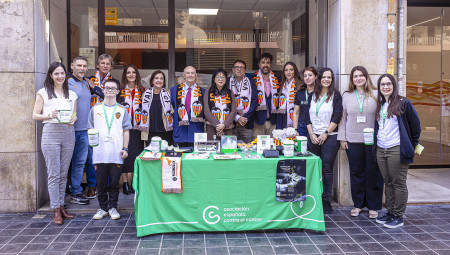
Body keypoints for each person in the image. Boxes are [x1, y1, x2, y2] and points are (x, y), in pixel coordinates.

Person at [32, 62, 78, 224]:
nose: (60, 76)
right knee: (53, 173)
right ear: (51, 76)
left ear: (66, 75)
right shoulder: (43, 93)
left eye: (62, 73)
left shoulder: (71, 94)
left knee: (63, 173)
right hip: (51, 133)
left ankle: (62, 205)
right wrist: (49, 115)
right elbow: (35, 115)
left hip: (68, 133)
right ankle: (55, 209)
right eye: (56, 74)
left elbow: (75, 115)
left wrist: (73, 120)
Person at [374, 74, 421, 228]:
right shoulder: (380, 104)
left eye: (388, 84)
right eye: (382, 84)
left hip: (397, 149)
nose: (385, 87)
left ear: (393, 85)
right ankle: (390, 212)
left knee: (398, 183)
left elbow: (415, 127)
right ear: (379, 87)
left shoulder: (403, 103)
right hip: (382, 148)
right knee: (388, 182)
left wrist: (411, 146)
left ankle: (398, 216)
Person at [337, 66, 384, 219]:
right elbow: (342, 119)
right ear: (352, 79)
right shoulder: (347, 96)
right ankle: (358, 204)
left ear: (366, 77)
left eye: (361, 75)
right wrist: (342, 138)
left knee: (373, 173)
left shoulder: (376, 94)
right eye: (355, 76)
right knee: (356, 173)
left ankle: (373, 206)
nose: (358, 78)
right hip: (352, 140)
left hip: (372, 141)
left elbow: (381, 117)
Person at [88, 79, 132, 220]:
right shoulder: (95, 109)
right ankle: (102, 208)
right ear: (103, 90)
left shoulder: (122, 110)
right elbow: (90, 128)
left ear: (118, 91)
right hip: (99, 153)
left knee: (114, 183)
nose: (110, 91)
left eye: (113, 89)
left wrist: (125, 148)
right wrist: (93, 145)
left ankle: (113, 207)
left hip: (116, 152)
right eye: (107, 88)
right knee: (100, 183)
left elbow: (126, 130)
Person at [80, 54, 120, 202]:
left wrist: (95, 89)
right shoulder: (88, 79)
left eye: (108, 64)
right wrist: (94, 87)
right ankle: (92, 185)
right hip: (92, 120)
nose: (105, 66)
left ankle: (108, 184)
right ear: (97, 65)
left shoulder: (114, 82)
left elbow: (113, 98)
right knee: (92, 156)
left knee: (108, 152)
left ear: (111, 66)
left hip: (108, 121)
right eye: (102, 63)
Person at [305, 67, 343, 214]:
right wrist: (311, 134)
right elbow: (306, 117)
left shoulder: (336, 96)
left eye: (329, 77)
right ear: (319, 78)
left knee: (327, 169)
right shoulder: (312, 95)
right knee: (314, 168)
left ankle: (326, 201)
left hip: (330, 138)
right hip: (313, 137)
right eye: (324, 77)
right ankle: (314, 198)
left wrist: (326, 133)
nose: (326, 79)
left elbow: (337, 116)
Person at [68, 56, 104, 205]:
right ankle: (71, 191)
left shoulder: (86, 84)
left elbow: (102, 94)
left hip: (84, 129)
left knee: (81, 162)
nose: (82, 68)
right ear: (72, 66)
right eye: (79, 65)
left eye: (84, 66)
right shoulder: (66, 83)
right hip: (70, 129)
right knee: (70, 162)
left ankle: (76, 191)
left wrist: (93, 86)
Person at [116, 64, 145, 195]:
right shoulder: (121, 89)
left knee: (135, 155)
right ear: (125, 75)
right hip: (123, 127)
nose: (131, 75)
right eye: (128, 72)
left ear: (137, 75)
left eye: (133, 72)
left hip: (138, 127)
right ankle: (125, 183)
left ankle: (134, 182)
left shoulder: (142, 90)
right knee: (124, 154)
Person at [170, 66, 205, 147]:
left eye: (192, 73)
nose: (190, 75)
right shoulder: (174, 90)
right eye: (188, 73)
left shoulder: (203, 92)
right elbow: (172, 109)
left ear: (196, 75)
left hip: (196, 132)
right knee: (179, 159)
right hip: (180, 132)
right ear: (183, 75)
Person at [251, 53, 281, 138]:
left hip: (273, 122)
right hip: (258, 122)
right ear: (259, 64)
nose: (265, 65)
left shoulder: (278, 79)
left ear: (270, 64)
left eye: (268, 62)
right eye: (263, 62)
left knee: (272, 148)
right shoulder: (252, 80)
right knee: (257, 148)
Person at [140, 70, 174, 146]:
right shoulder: (145, 94)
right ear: (152, 80)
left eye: (161, 78)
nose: (159, 80)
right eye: (156, 78)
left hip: (165, 131)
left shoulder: (169, 93)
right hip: (150, 131)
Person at [229, 60, 258, 143]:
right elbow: (226, 103)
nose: (239, 69)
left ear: (245, 70)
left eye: (241, 68)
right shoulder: (227, 82)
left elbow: (254, 101)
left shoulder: (251, 82)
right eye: (237, 67)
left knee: (247, 150)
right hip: (231, 123)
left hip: (247, 124)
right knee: (230, 151)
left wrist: (245, 118)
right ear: (233, 69)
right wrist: (237, 118)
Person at [204, 68, 237, 140]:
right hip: (211, 127)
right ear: (214, 79)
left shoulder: (230, 93)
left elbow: (233, 111)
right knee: (212, 149)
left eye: (223, 77)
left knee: (227, 149)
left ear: (226, 79)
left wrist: (224, 125)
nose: (220, 79)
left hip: (227, 127)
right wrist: (218, 126)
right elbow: (206, 111)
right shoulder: (208, 92)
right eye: (218, 77)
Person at [273, 62, 301, 129]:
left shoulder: (300, 85)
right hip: (282, 117)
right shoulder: (282, 85)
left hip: (295, 115)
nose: (288, 72)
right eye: (286, 70)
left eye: (291, 70)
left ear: (295, 71)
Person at [293, 67, 318, 136]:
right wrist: (295, 129)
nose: (307, 78)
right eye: (305, 76)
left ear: (315, 76)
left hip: (316, 125)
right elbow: (295, 113)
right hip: (302, 126)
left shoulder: (320, 92)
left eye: (310, 75)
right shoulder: (300, 93)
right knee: (301, 146)